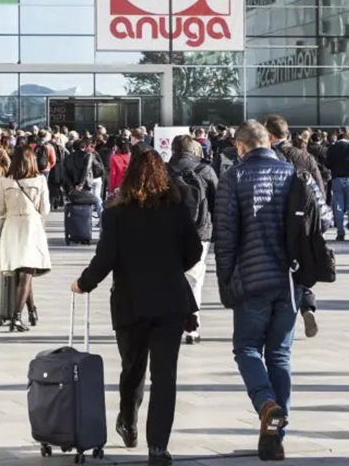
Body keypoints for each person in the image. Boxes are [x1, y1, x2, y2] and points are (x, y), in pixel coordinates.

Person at [72, 149, 202, 466]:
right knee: (165, 375)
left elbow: (106, 258)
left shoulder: (117, 214)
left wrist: (84, 283)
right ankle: (158, 446)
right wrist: (172, 266)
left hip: (131, 302)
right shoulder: (176, 210)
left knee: (132, 367)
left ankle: (127, 420)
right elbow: (195, 251)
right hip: (171, 301)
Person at [213, 120, 296, 462]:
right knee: (279, 356)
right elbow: (318, 223)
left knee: (247, 348)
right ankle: (274, 439)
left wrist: (226, 285)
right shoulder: (295, 174)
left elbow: (225, 237)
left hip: (251, 278)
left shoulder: (235, 178)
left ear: (242, 146)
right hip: (290, 280)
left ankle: (266, 404)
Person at [0, 145, 52, 332]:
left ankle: (32, 311)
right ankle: (16, 317)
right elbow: (45, 209)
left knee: (23, 272)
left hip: (11, 226)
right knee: (27, 272)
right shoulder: (40, 181)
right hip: (31, 226)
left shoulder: (4, 181)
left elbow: (0, 209)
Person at [167, 135, 217, 345]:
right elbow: (217, 203)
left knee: (169, 279)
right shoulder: (205, 171)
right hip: (199, 232)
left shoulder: (163, 170)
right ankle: (192, 329)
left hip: (167, 233)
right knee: (194, 279)